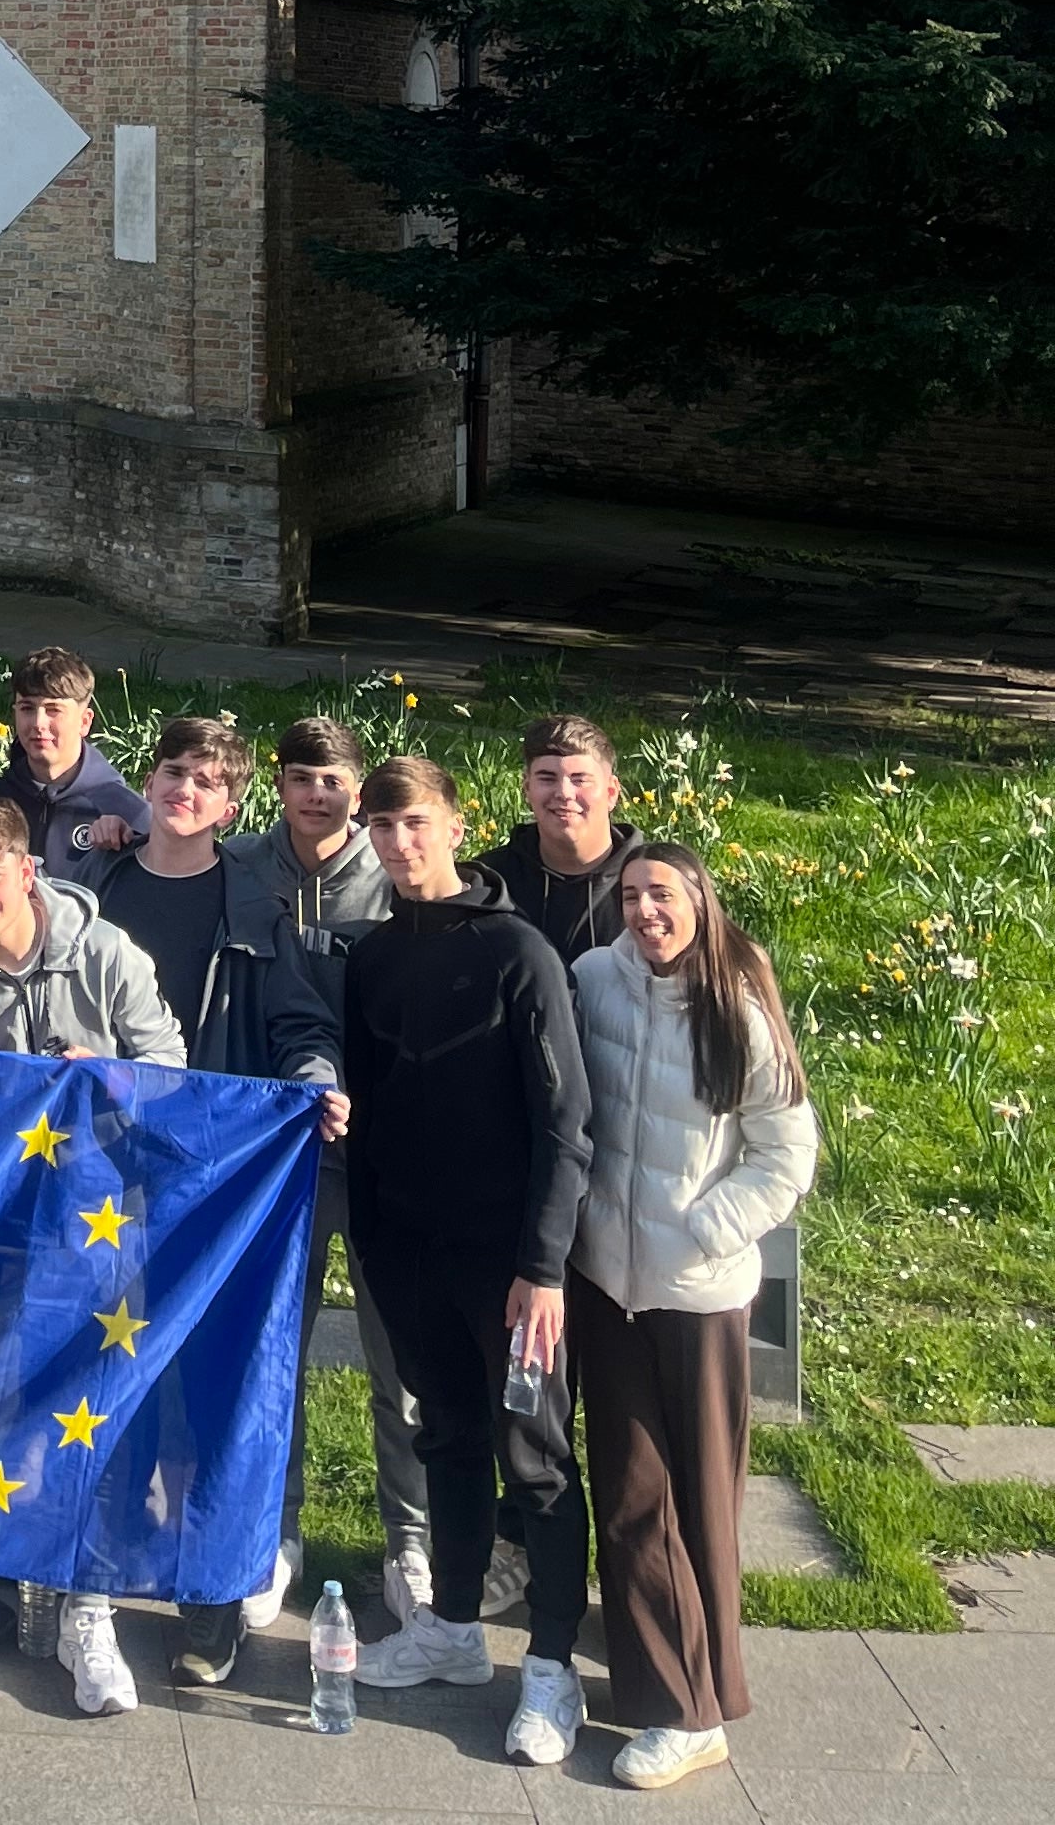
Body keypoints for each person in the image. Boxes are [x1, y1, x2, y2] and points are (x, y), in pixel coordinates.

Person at [0, 790, 185, 1716]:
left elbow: (174, 1072)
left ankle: (85, 1608)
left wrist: (98, 1073)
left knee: (90, 1413)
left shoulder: (105, 954)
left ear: (29, 870)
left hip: (101, 1224)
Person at [344, 754, 596, 1769]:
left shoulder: (518, 952)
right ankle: (450, 1627)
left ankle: (552, 1666)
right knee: (444, 1431)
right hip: (407, 1248)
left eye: (415, 824)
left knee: (533, 1458)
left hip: (508, 1266)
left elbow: (566, 1120)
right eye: (383, 827)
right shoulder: (369, 956)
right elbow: (370, 1105)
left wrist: (541, 1265)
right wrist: (371, 1234)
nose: (399, 845)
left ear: (454, 825)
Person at [90, 714, 345, 1678]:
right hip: (107, 1171)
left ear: (233, 806)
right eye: (170, 772)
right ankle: (104, 1562)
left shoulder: (255, 904)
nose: (183, 790)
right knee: (115, 1369)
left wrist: (317, 1074)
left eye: (206, 781)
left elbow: (298, 1021)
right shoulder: (98, 889)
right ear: (146, 784)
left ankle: (210, 1596)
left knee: (213, 1382)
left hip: (217, 1178)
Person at [571, 840, 816, 1792]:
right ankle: (675, 1706)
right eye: (630, 895)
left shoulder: (738, 1013)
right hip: (607, 1283)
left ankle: (707, 1697)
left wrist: (704, 1229)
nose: (644, 911)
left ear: (699, 903)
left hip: (701, 1292)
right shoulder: (593, 979)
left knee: (704, 1502)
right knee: (634, 1496)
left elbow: (785, 1156)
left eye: (661, 894)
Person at [228, 718, 431, 1624]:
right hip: (284, 1147)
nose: (319, 793)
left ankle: (413, 1543)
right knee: (279, 1350)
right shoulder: (241, 866)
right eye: (303, 776)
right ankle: (277, 1531)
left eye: (335, 778)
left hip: (387, 1150)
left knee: (403, 1358)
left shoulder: (394, 874)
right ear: (278, 784)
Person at [0, 647, 152, 884]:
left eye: (53, 710)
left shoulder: (128, 813)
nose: (38, 723)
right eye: (27, 708)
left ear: (84, 722)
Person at [481, 714, 632, 963]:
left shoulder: (654, 883)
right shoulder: (490, 882)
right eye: (547, 778)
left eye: (580, 779)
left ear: (611, 792)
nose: (564, 793)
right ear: (527, 788)